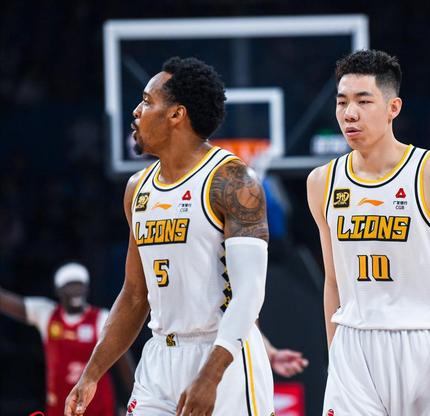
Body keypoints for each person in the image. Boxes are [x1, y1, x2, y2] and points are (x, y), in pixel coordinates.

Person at [64, 56, 274, 416]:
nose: (136, 111)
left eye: (147, 101)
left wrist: (211, 376)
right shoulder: (137, 189)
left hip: (225, 356)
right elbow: (134, 295)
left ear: (177, 114)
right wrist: (92, 373)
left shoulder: (233, 181)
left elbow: (250, 293)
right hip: (160, 357)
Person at [307, 50, 430, 416]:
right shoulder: (322, 181)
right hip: (353, 345)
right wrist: (336, 356)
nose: (349, 113)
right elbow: (333, 281)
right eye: (342, 102)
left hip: (423, 345)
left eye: (363, 101)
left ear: (393, 107)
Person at [0, 262, 135, 416]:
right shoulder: (47, 314)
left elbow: (124, 365)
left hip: (98, 408)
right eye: (70, 286)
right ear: (58, 290)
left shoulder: (102, 318)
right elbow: (10, 303)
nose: (76, 290)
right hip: (59, 408)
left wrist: (135, 401)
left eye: (80, 285)